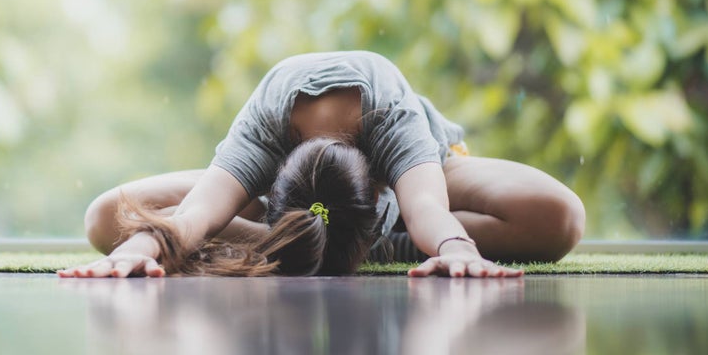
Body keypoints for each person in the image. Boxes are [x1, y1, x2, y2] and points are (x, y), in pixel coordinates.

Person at [59, 51, 586, 279]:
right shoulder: (266, 126)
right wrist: (142, 245)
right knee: (108, 218)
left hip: (420, 179)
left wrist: (454, 247)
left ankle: (328, 244)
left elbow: (424, 205)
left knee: (560, 216)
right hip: (298, 207)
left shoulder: (391, 118)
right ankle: (321, 240)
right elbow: (191, 216)